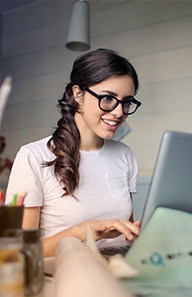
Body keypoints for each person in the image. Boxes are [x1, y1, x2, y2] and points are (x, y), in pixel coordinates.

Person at [5, 48, 142, 257]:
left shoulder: (124, 154)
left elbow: (126, 231)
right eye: (107, 98)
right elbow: (20, 251)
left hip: (119, 270)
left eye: (127, 102)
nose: (119, 112)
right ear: (78, 94)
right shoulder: (33, 157)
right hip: (66, 274)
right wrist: (79, 232)